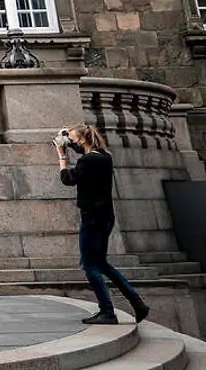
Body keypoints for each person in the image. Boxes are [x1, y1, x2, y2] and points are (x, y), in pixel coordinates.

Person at [58, 124, 149, 325]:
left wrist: (62, 156)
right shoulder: (104, 156)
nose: (70, 142)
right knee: (102, 263)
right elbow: (84, 153)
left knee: (89, 265)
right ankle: (137, 302)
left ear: (81, 140)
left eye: (72, 139)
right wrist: (68, 139)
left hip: (91, 218)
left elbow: (68, 179)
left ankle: (107, 311)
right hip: (106, 217)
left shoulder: (87, 161)